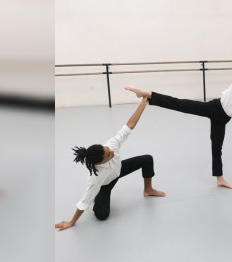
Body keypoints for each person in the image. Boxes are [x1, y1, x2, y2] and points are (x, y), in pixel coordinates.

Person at [125, 46, 232, 189]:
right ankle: (148, 94)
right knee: (181, 104)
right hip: (213, 107)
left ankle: (220, 179)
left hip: (222, 119)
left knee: (217, 147)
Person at [54, 97, 165, 231]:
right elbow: (84, 202)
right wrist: (71, 222)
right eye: (108, 155)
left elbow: (129, 126)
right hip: (105, 183)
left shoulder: (110, 145)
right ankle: (98, 197)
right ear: (101, 162)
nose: (111, 152)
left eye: (107, 149)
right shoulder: (96, 179)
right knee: (102, 215)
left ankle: (148, 189)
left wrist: (143, 103)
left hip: (118, 170)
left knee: (147, 159)